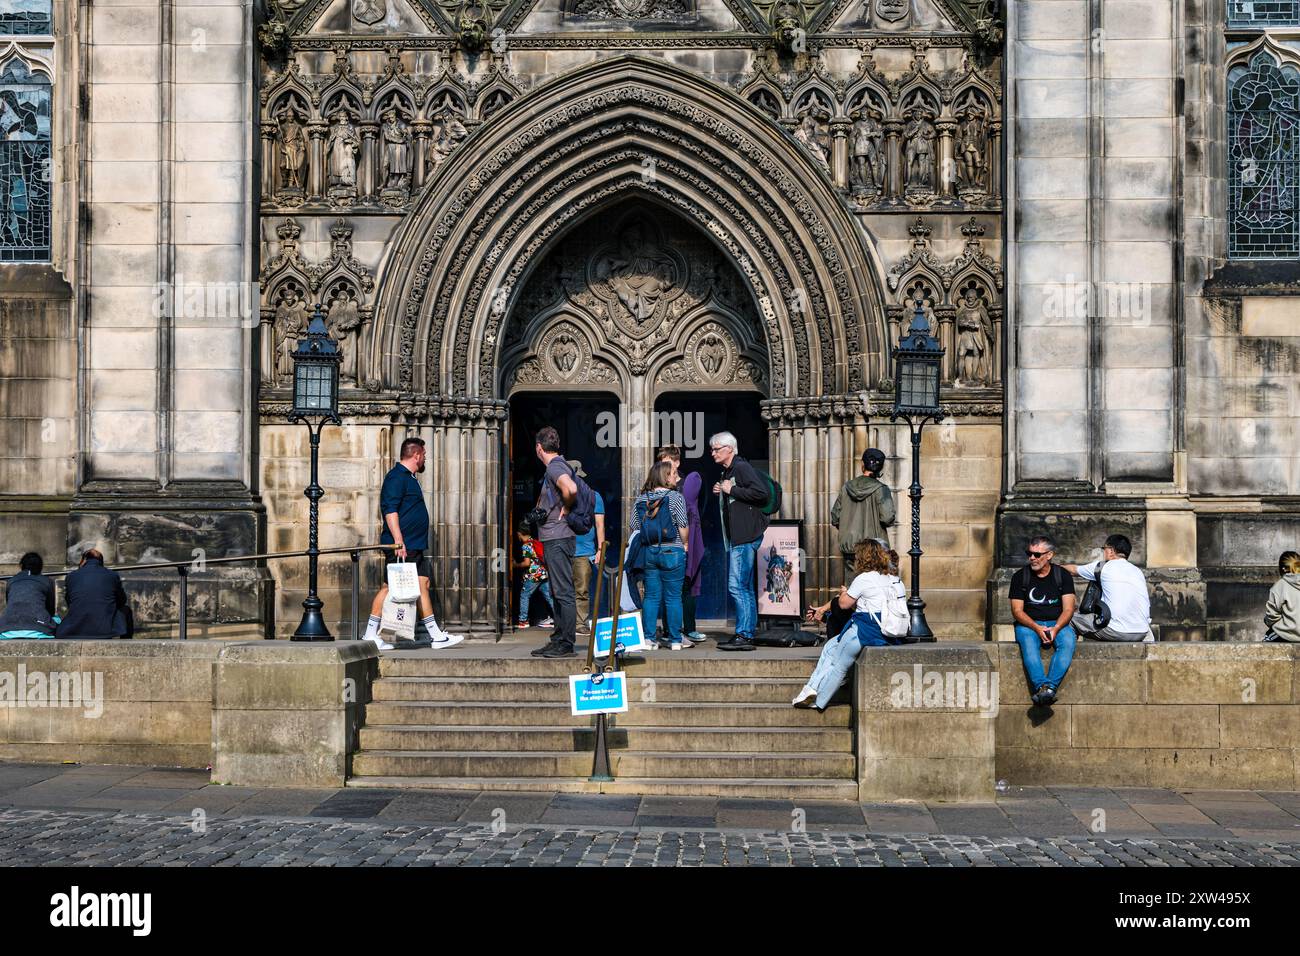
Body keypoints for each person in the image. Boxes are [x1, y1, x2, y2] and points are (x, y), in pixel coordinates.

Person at [362, 437, 464, 651]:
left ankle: (436, 635)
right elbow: (390, 509)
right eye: (424, 454)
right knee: (389, 587)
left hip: (413, 544)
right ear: (416, 455)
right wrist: (399, 540)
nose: (425, 457)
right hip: (402, 545)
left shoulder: (409, 477)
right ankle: (370, 634)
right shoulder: (396, 477)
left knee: (422, 584)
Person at [793, 539, 905, 709]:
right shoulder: (894, 580)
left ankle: (818, 701)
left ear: (863, 558)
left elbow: (844, 604)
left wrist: (845, 593)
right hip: (888, 631)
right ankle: (809, 689)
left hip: (865, 631)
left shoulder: (864, 579)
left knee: (839, 665)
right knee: (830, 647)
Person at [710, 431, 770, 652]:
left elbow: (760, 493)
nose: (713, 452)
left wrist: (731, 489)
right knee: (744, 586)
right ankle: (747, 632)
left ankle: (744, 634)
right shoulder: (729, 470)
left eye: (717, 448)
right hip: (739, 536)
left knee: (736, 586)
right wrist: (723, 491)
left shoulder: (742, 467)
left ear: (730, 449)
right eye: (713, 449)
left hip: (745, 536)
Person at [1009, 535, 1078, 706]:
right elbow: (1017, 611)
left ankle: (1049, 688)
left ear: (1049, 555)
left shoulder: (1062, 575)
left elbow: (1069, 609)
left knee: (1068, 641)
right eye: (1029, 553)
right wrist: (1036, 627)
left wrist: (1056, 628)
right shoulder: (1020, 576)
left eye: (1037, 554)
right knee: (1029, 645)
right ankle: (1042, 686)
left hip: (1057, 622)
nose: (1032, 558)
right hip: (1028, 624)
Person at [530, 426, 580, 658]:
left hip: (558, 537)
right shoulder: (556, 466)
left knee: (563, 592)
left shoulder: (555, 467)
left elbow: (570, 488)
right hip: (556, 538)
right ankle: (558, 638)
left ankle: (566, 644)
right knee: (558, 591)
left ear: (539, 447)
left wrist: (567, 507)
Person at [632, 461, 692, 649]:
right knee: (673, 597)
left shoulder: (641, 499)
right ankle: (675, 640)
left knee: (650, 596)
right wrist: (685, 544)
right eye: (673, 473)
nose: (676, 476)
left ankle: (649, 639)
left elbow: (634, 527)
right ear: (665, 476)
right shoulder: (675, 497)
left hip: (649, 551)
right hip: (672, 550)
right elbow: (682, 525)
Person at [1064, 534, 1153, 642]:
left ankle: (1070, 652)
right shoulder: (1137, 571)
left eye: (1104, 549)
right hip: (1142, 632)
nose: (1104, 552)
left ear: (1111, 551)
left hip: (1116, 631)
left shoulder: (1103, 566)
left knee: (1069, 619)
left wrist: (1050, 567)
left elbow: (1072, 570)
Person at [657, 445, 705, 642]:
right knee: (670, 585)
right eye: (661, 461)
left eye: (667, 461)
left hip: (689, 539)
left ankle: (690, 628)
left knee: (689, 583)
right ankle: (669, 629)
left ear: (677, 462)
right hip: (667, 540)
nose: (663, 465)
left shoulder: (689, 481)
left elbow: (684, 503)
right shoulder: (657, 485)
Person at [830, 448, 896, 584]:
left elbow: (835, 517)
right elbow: (887, 517)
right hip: (874, 550)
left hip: (850, 549)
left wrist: (848, 529)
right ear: (880, 469)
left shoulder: (846, 488)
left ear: (863, 464)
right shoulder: (881, 489)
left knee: (852, 590)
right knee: (874, 590)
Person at [55, 549, 129, 640]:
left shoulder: (71, 576)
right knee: (126, 610)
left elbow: (69, 601)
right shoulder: (112, 575)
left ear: (84, 560)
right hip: (105, 629)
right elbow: (122, 600)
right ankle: (127, 642)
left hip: (75, 628)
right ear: (101, 562)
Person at [567, 459, 605, 632]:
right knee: (563, 590)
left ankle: (580, 623)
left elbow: (599, 525)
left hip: (583, 550)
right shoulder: (559, 496)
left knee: (581, 590)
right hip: (564, 547)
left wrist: (600, 549)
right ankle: (566, 624)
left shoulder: (593, 496)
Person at [0, 552, 57, 639]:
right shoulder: (47, 581)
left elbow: (10, 605)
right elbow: (51, 611)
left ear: (21, 565)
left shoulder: (11, 581)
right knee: (57, 620)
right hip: (39, 629)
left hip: (7, 629)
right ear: (40, 566)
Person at [515, 521, 554, 629]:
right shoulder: (535, 541)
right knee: (549, 596)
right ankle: (560, 617)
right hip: (543, 573)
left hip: (533, 575)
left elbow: (527, 563)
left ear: (519, 534)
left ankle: (523, 621)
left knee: (524, 595)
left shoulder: (526, 546)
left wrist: (515, 565)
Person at [1264, 550, 1300, 642]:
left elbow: (1272, 615)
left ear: (1282, 569)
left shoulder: (1279, 586)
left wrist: (1267, 621)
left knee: (1267, 640)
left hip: (1288, 633)